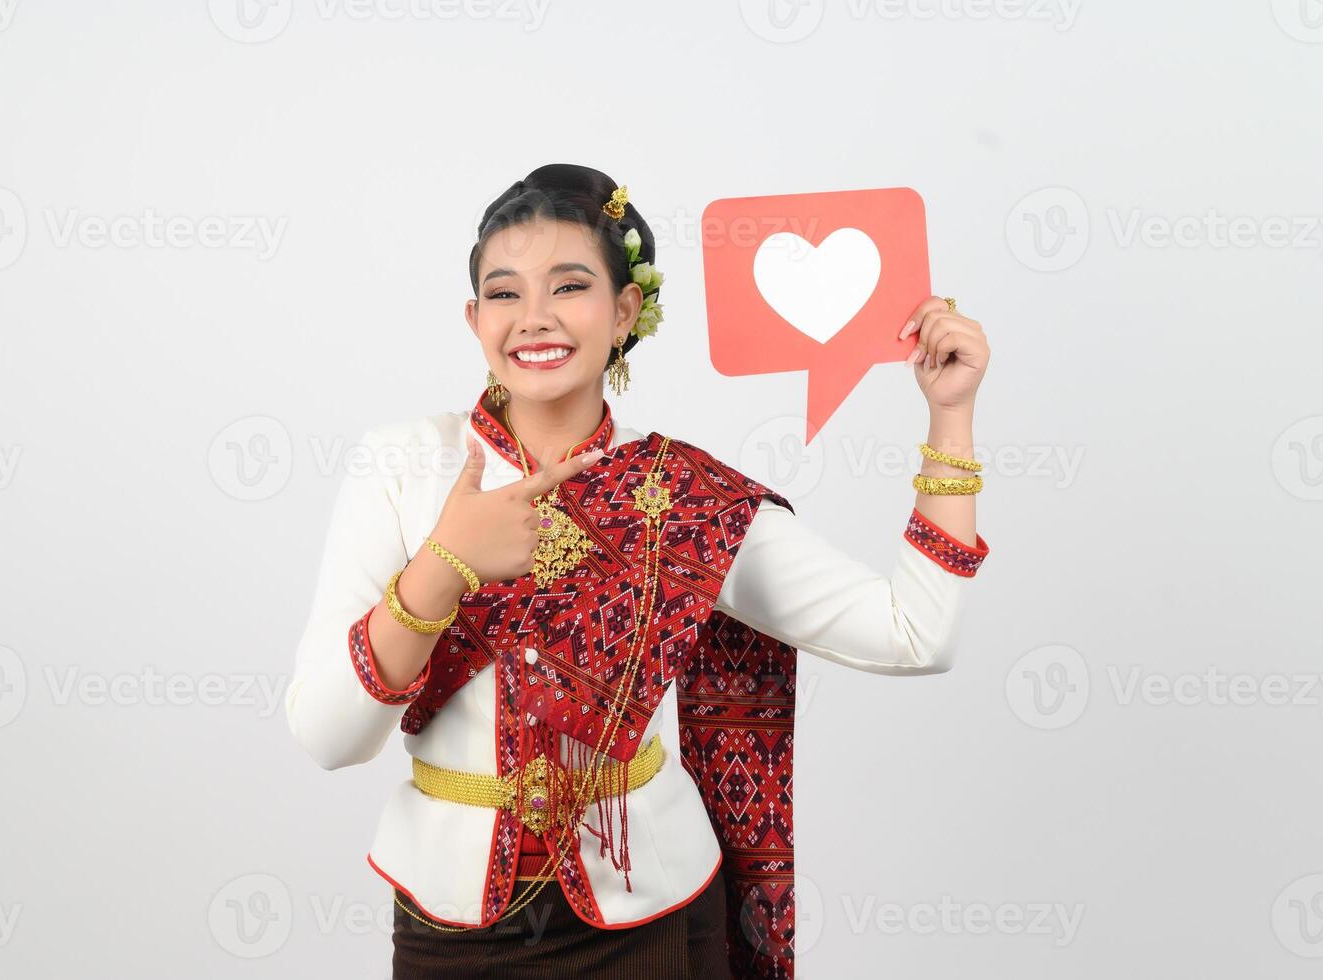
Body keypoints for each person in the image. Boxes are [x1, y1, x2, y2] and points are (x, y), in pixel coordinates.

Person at [284, 164, 993, 979]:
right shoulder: (403, 464)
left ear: (626, 310)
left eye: (571, 285)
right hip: (446, 916)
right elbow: (327, 737)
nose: (535, 318)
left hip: (647, 917)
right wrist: (444, 565)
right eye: (505, 293)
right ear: (474, 319)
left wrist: (951, 415)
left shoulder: (687, 497)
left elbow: (916, 635)